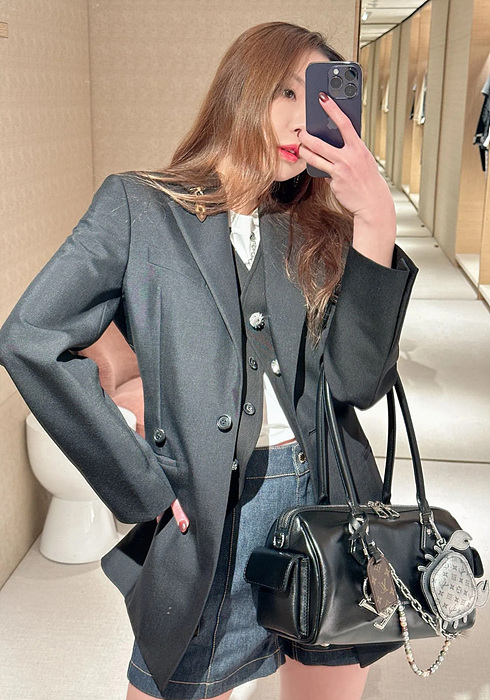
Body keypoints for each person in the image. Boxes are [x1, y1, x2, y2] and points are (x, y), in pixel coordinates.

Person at [0, 21, 417, 700]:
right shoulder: (140, 208)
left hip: (330, 500)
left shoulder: (317, 227)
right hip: (213, 512)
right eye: (286, 91)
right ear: (242, 87)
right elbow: (30, 336)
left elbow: (358, 383)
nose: (301, 119)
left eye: (317, 98)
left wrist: (374, 221)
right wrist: (139, 482)